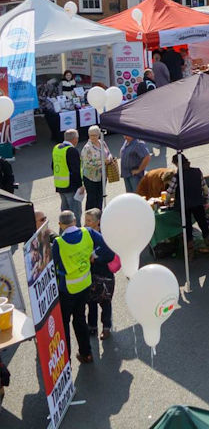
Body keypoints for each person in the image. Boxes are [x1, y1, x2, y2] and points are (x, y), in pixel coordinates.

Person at [51, 210, 113, 364]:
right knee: (80, 319)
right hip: (85, 285)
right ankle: (86, 354)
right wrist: (94, 256)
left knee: (64, 323)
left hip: (67, 290)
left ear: (60, 225)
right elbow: (109, 250)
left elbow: (53, 266)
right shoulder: (88, 232)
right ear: (75, 221)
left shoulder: (58, 243)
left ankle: (66, 361)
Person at [166, 153, 209, 259]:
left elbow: (169, 192)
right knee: (204, 225)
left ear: (176, 164)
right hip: (198, 202)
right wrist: (205, 199)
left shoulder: (177, 176)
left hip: (184, 205)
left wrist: (167, 202)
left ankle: (190, 254)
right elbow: (204, 188)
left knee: (187, 228)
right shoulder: (197, 171)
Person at [84, 209, 115, 340]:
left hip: (104, 276)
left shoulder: (106, 236)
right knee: (91, 303)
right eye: (85, 220)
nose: (86, 224)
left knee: (105, 303)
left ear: (98, 222)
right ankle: (92, 327)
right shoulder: (85, 234)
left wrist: (95, 258)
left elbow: (110, 255)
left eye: (89, 221)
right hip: (90, 276)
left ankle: (106, 327)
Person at [53, 129, 84, 226]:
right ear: (75, 139)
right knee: (75, 215)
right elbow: (76, 170)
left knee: (64, 215)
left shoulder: (57, 148)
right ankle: (76, 235)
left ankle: (63, 234)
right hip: (71, 187)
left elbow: (52, 165)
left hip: (60, 185)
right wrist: (80, 185)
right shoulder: (72, 150)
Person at [80, 126, 112, 211]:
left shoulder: (102, 143)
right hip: (91, 178)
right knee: (92, 199)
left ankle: (99, 216)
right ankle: (90, 218)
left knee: (100, 197)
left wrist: (109, 158)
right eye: (91, 135)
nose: (93, 137)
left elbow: (108, 153)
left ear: (99, 135)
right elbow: (87, 163)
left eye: (95, 135)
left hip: (102, 176)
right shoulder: (87, 148)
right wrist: (102, 162)